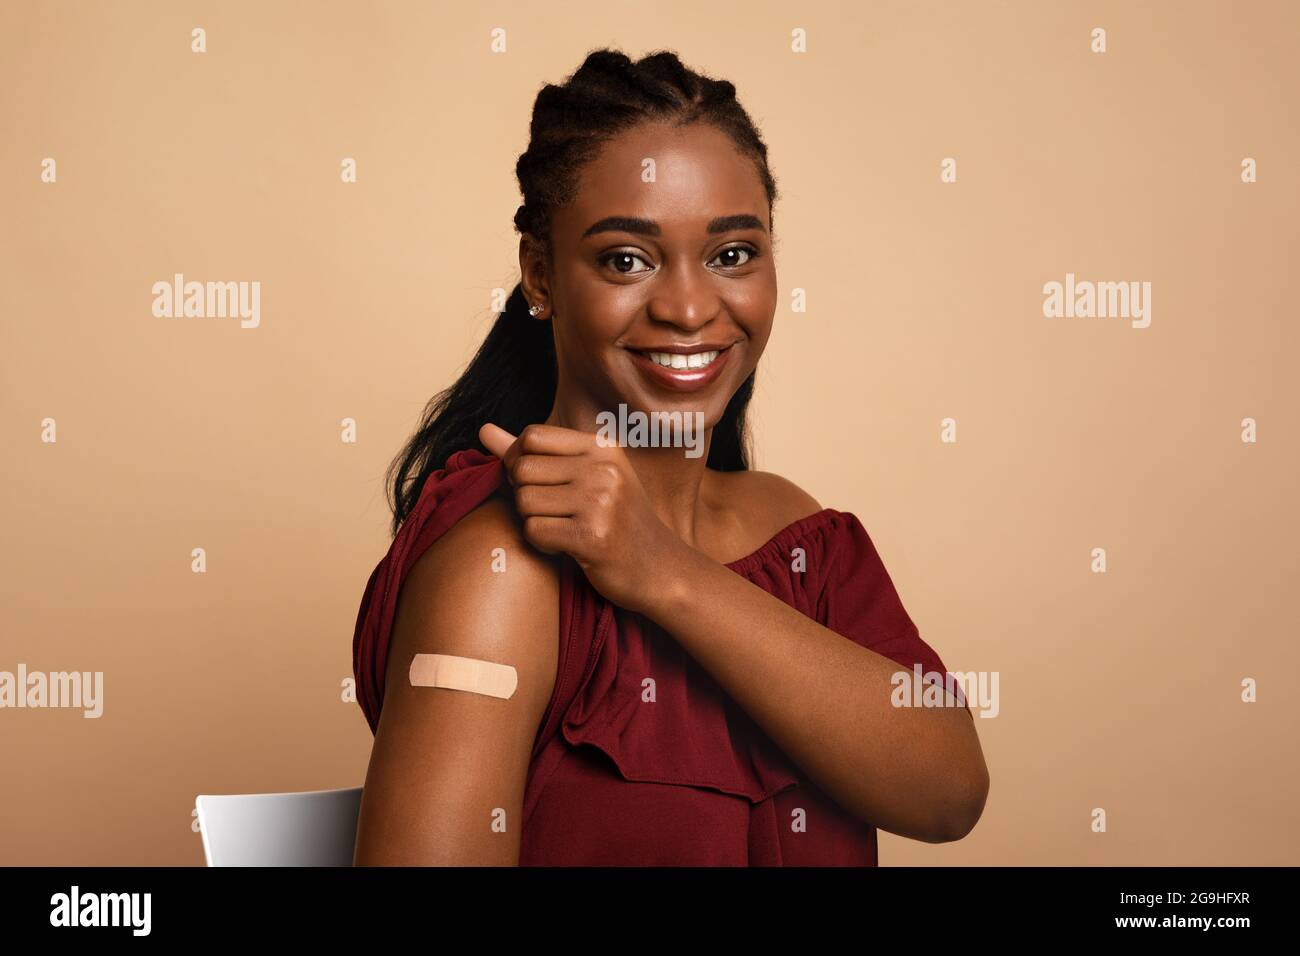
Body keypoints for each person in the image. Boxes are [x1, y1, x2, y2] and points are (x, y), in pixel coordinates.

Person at [352, 47, 989, 865]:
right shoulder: (501, 571)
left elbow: (949, 792)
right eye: (626, 259)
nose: (690, 307)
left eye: (732, 255)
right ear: (539, 276)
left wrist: (663, 571)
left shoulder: (800, 537)